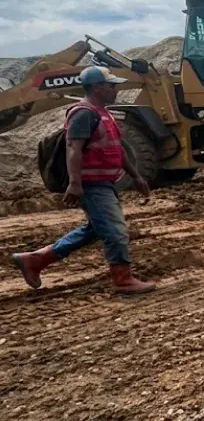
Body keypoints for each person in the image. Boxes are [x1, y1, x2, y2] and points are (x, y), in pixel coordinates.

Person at [11, 66, 156, 295]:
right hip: (91, 183)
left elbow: (118, 149)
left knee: (96, 229)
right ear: (97, 87)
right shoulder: (83, 113)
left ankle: (34, 260)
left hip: (104, 182)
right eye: (111, 85)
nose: (115, 89)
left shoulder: (103, 113)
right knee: (115, 230)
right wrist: (75, 183)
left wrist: (136, 175)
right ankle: (123, 279)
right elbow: (73, 147)